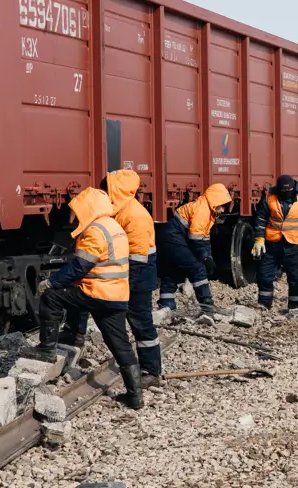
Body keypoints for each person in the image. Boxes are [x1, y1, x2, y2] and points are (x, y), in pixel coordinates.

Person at [20, 188, 143, 409]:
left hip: (97, 293)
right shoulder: (115, 226)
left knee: (52, 297)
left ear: (88, 208)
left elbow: (80, 266)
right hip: (116, 296)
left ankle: (47, 348)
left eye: (78, 210)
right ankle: (135, 397)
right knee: (120, 344)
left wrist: (52, 282)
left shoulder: (96, 230)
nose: (75, 215)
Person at [60, 171, 162, 388]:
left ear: (117, 192)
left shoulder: (136, 216)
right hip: (118, 271)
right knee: (83, 292)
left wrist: (122, 290)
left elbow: (137, 259)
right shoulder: (112, 210)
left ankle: (151, 370)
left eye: (107, 189)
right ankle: (74, 335)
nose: (103, 193)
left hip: (138, 274)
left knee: (139, 320)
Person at [157, 183, 232, 313]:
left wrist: (208, 256)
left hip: (169, 235)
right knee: (197, 268)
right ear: (216, 201)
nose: (223, 210)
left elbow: (205, 238)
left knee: (171, 269)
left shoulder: (209, 210)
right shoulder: (203, 210)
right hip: (173, 236)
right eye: (223, 206)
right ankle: (207, 304)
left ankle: (166, 305)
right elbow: (196, 238)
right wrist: (204, 257)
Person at [252, 175, 298, 309]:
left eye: (289, 191)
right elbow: (261, 220)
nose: (286, 194)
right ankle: (264, 305)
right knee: (264, 275)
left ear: (294, 188)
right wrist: (259, 240)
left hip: (294, 245)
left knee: (295, 278)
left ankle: (294, 307)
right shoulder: (269, 198)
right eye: (283, 191)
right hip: (272, 244)